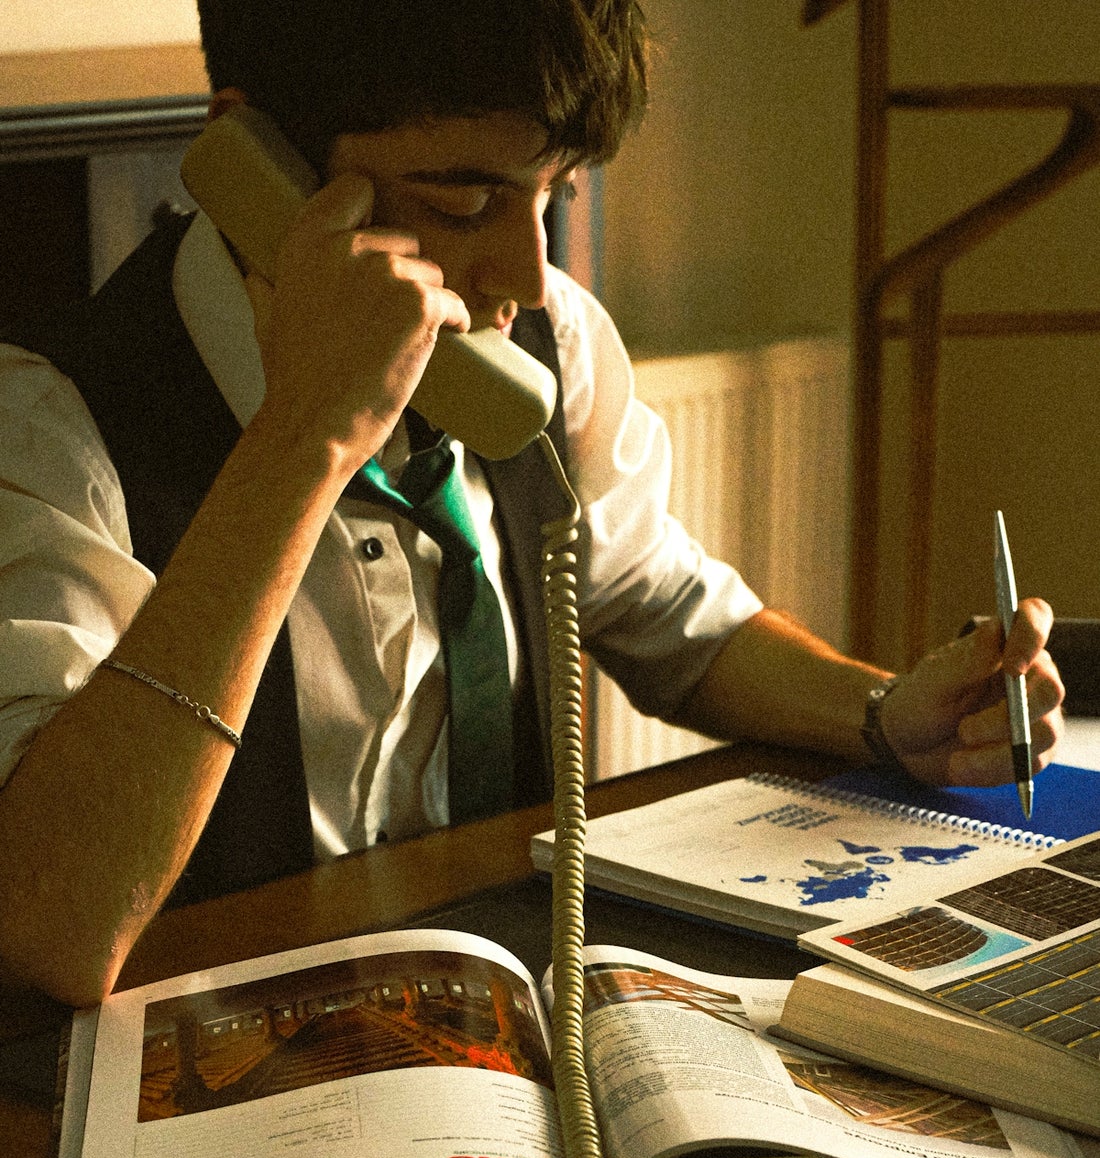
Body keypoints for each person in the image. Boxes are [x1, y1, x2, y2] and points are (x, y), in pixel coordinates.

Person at [0, 0, 1063, 1009]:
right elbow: (53, 922)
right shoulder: (54, 422)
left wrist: (880, 716)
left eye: (548, 194)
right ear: (254, 164)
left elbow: (664, 610)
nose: (523, 270)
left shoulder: (550, 337)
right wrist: (298, 445)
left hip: (501, 1014)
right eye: (460, 204)